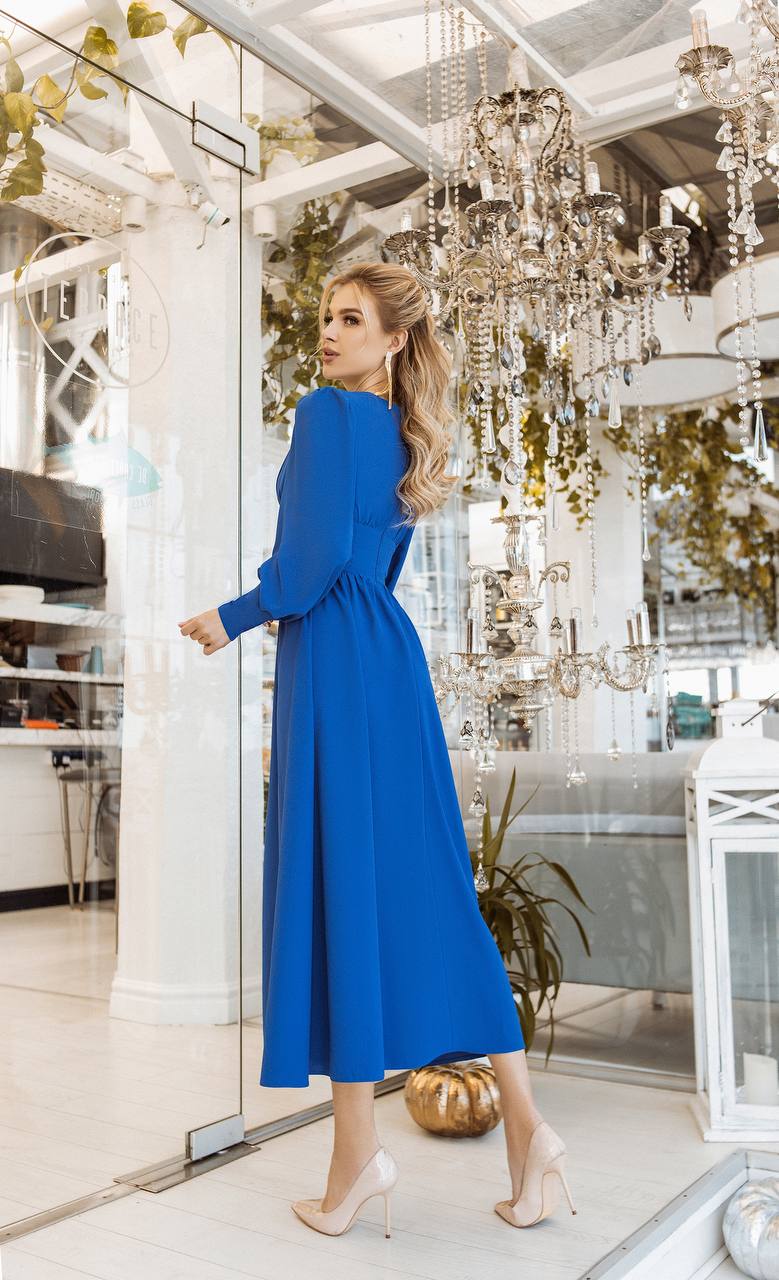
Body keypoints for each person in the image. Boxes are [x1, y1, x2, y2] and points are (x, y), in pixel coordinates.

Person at [178, 263, 575, 1237]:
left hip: (335, 667)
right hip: (388, 659)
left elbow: (309, 569)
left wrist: (230, 615)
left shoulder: (322, 414)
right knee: (429, 891)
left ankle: (359, 1157)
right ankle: (521, 1128)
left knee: (338, 885)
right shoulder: (405, 435)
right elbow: (372, 566)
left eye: (349, 319)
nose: (327, 331)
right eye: (324, 316)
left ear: (393, 338)